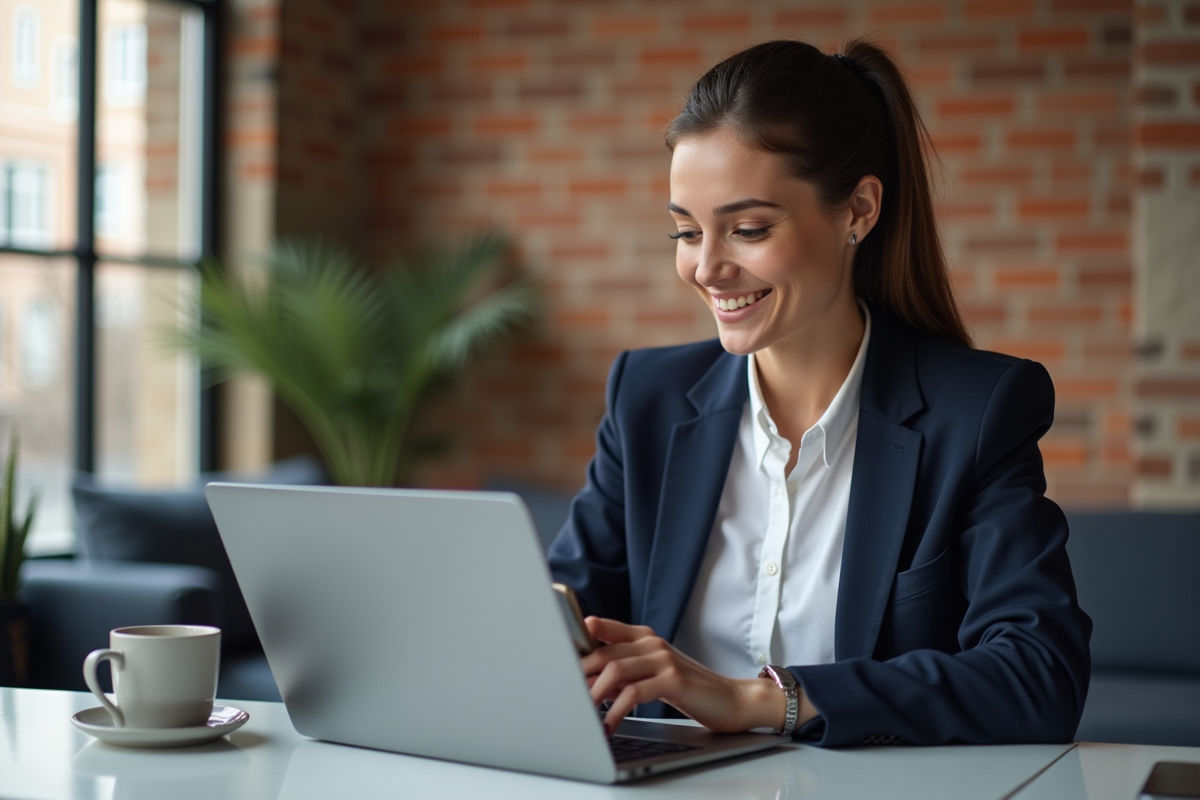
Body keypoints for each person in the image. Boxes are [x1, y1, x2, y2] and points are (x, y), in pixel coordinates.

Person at [546, 39, 1092, 747]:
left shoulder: (978, 413)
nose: (707, 267)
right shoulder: (646, 398)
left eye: (747, 229)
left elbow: (1039, 676)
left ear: (857, 211)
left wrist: (763, 701)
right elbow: (560, 615)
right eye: (685, 231)